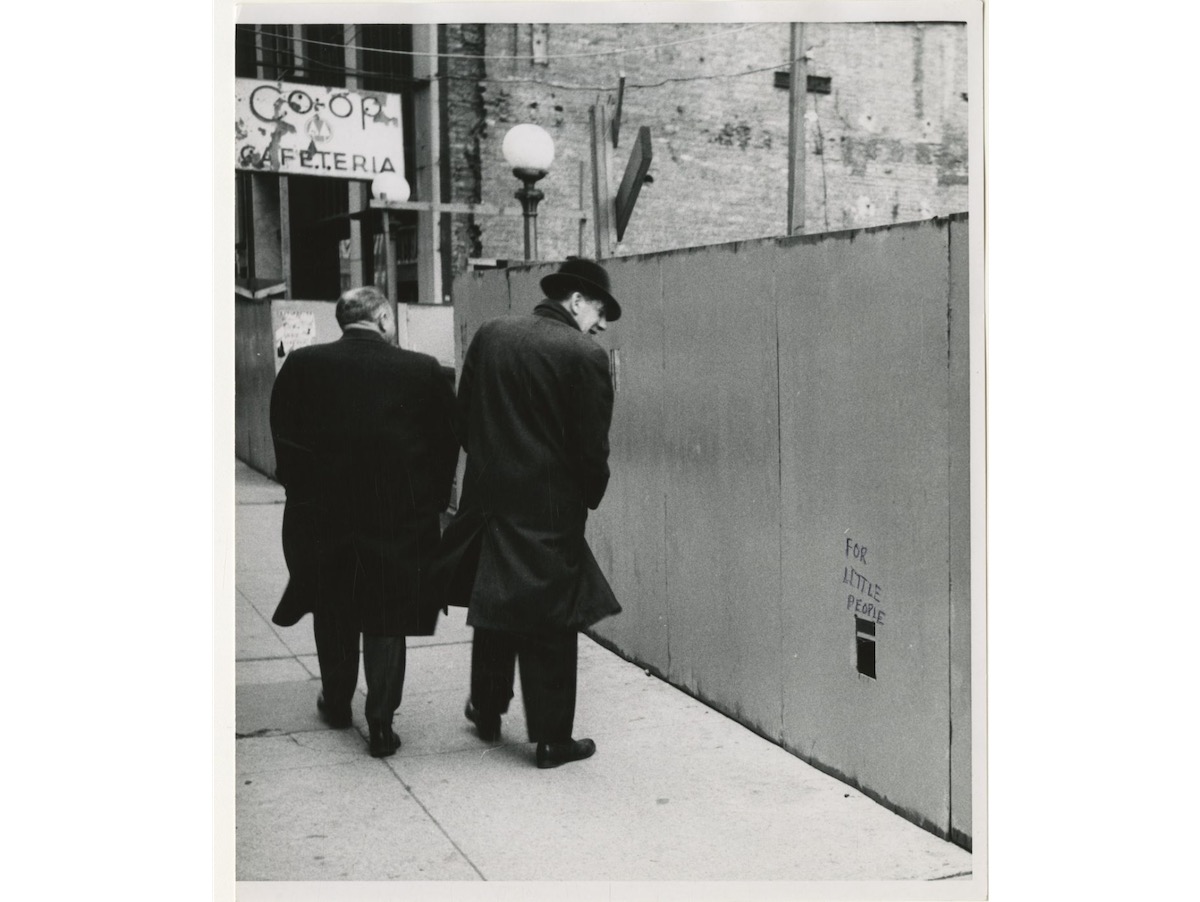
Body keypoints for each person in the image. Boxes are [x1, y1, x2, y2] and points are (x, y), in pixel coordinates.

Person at [433, 258, 623, 769]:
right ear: (577, 300)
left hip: (489, 502)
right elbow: (590, 449)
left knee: (494, 605)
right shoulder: (583, 355)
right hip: (549, 509)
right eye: (600, 311)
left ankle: (488, 709)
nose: (602, 324)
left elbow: (465, 420)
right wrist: (587, 493)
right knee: (552, 621)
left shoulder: (491, 335)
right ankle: (551, 738)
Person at [269, 286, 458, 758]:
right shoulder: (422, 370)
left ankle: (336, 701)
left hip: (322, 516)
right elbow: (445, 444)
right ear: (385, 319)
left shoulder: (303, 365)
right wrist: (431, 503)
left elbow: (285, 440)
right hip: (398, 518)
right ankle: (381, 722)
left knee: (332, 607)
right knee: (386, 616)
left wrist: (303, 494)